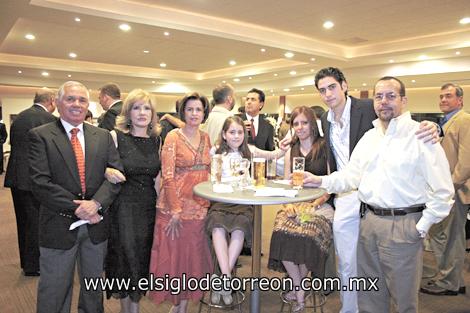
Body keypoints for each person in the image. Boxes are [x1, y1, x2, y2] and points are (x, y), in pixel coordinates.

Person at [303, 76, 454, 313]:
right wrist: (319, 181)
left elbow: (444, 190)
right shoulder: (370, 137)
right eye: (379, 96)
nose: (384, 102)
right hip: (368, 224)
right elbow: (351, 176)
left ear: (403, 100)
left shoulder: (421, 135)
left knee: (403, 300)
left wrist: (421, 226)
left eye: (391, 96)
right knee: (370, 296)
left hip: (403, 225)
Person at [29, 81, 123, 313]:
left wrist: (96, 204)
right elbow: (40, 182)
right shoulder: (40, 136)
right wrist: (80, 208)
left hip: (96, 226)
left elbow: (116, 175)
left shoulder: (102, 136)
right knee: (54, 290)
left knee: (93, 290)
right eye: (70, 99)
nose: (77, 104)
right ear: (58, 103)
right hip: (58, 225)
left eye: (82, 100)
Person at [206, 116, 284, 305]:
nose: (236, 136)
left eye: (240, 132)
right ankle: (226, 279)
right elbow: (210, 177)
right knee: (217, 226)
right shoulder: (216, 152)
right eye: (232, 132)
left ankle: (222, 280)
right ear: (224, 134)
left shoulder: (250, 151)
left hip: (242, 202)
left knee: (240, 229)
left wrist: (286, 144)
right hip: (221, 201)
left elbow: (274, 155)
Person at [149, 92, 212, 313]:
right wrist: (175, 210)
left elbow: (210, 170)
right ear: (182, 112)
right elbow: (167, 175)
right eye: (190, 109)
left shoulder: (206, 137)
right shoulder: (173, 137)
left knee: (192, 259)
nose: (194, 113)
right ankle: (177, 305)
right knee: (173, 260)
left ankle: (183, 306)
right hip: (173, 208)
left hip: (199, 206)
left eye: (199, 109)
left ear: (204, 113)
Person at [268, 106, 334, 313]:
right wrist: (289, 205)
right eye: (296, 123)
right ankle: (300, 287)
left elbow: (331, 184)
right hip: (295, 204)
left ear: (313, 124)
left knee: (307, 235)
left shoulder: (325, 147)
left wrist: (314, 204)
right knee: (281, 231)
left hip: (320, 205)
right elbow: (288, 184)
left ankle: (299, 290)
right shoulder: (291, 150)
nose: (300, 127)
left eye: (304, 122)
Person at [103, 89, 161, 313]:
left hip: (148, 206)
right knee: (125, 257)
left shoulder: (157, 140)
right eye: (136, 107)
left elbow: (157, 178)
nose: (142, 112)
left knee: (141, 257)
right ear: (128, 112)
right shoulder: (115, 136)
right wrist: (107, 170)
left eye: (147, 108)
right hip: (123, 206)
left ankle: (132, 309)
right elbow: (99, 166)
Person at [421, 83, 470, 296]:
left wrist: (448, 189)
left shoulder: (464, 120)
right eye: (441, 96)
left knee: (451, 239)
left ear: (460, 100)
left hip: (455, 192)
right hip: (446, 191)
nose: (443, 100)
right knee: (443, 236)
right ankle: (450, 278)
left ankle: (450, 283)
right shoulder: (446, 122)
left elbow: (466, 162)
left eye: (448, 96)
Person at [4, 88, 56, 276]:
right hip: (34, 179)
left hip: (16, 177)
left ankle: (26, 261)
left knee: (23, 222)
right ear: (51, 100)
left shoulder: (20, 117)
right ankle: (35, 265)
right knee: (36, 223)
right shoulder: (49, 120)